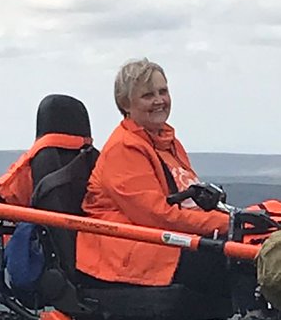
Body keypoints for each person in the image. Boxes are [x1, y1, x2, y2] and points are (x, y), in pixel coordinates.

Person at [76, 58, 230, 293]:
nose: (159, 101)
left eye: (163, 91)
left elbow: (191, 202)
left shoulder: (166, 141)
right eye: (148, 95)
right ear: (126, 104)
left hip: (159, 241)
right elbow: (157, 216)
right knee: (232, 263)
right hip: (129, 251)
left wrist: (238, 221)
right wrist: (228, 224)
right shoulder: (124, 148)